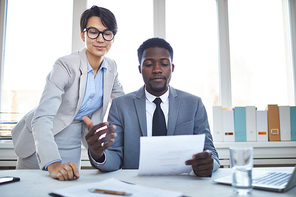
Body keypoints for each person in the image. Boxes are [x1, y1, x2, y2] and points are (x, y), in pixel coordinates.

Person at [11, 5, 124, 181]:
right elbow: (42, 117)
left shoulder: (112, 67)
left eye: (107, 33)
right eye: (93, 32)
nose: (100, 39)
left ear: (113, 38)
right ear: (83, 35)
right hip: (41, 139)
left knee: (68, 187)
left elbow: (123, 104)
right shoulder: (65, 65)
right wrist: (53, 163)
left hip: (73, 140)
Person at [83, 37, 220, 177]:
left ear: (172, 68)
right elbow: (115, 157)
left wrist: (208, 164)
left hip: (182, 185)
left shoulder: (194, 104)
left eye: (164, 64)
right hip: (137, 187)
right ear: (140, 69)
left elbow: (210, 152)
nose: (157, 70)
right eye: (149, 64)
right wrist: (98, 155)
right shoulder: (121, 105)